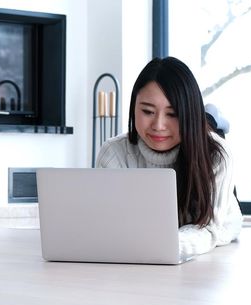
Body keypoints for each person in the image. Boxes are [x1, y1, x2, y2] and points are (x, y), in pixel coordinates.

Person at [96, 56, 242, 260]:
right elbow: (106, 224)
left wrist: (154, 246)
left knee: (211, 129)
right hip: (148, 245)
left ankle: (211, 119)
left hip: (218, 226)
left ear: (188, 114)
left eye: (172, 114)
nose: (158, 125)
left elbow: (209, 230)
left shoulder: (218, 156)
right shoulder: (113, 153)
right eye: (147, 111)